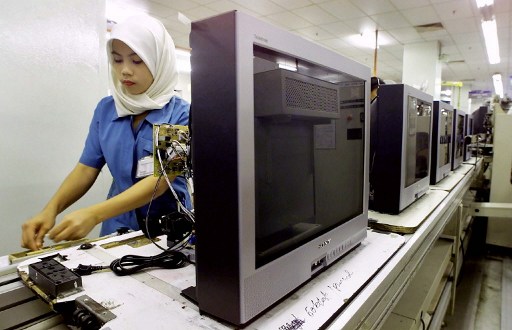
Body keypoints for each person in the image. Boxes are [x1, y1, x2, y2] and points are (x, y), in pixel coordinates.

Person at [21, 15, 191, 251]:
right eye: (117, 60)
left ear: (159, 61)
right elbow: (86, 167)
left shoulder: (181, 115)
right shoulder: (106, 109)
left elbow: (161, 181)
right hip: (118, 226)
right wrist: (51, 209)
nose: (125, 71)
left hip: (167, 229)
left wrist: (94, 214)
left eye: (137, 61)